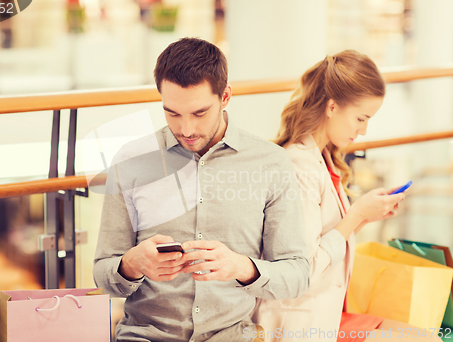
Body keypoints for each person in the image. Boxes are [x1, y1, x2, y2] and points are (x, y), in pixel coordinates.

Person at [93, 37, 310, 342]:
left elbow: (298, 275)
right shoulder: (131, 162)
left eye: (199, 113)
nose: (186, 130)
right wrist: (131, 265)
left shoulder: (271, 163)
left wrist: (241, 267)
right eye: (172, 113)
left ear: (226, 97)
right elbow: (103, 274)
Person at [252, 50, 441, 342]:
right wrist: (357, 214)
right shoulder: (300, 166)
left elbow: (327, 237)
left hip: (327, 312)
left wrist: (365, 217)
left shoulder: (323, 157)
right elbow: (303, 269)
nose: (363, 131)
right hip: (299, 323)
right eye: (361, 118)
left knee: (427, 336)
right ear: (331, 106)